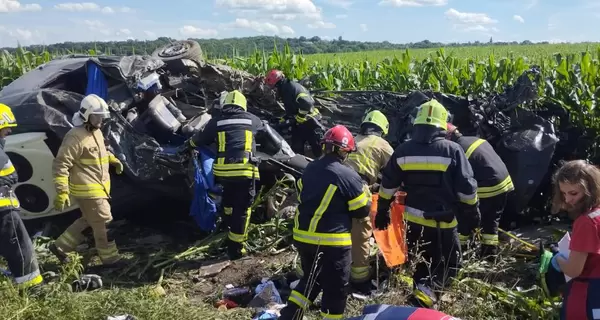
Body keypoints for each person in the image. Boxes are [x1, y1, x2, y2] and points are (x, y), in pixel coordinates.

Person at [374, 100, 480, 308]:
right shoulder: (453, 151)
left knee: (421, 264)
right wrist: (472, 215)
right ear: (442, 125)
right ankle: (425, 299)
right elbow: (467, 190)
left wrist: (383, 211)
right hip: (444, 223)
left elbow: (388, 185)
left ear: (417, 123)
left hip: (413, 221)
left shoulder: (404, 150)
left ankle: (418, 297)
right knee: (450, 265)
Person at [279, 125, 370, 320]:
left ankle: (288, 316)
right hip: (333, 242)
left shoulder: (309, 169)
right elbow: (361, 211)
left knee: (312, 281)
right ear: (343, 150)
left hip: (304, 239)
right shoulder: (347, 175)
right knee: (336, 289)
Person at [183, 90, 263, 260]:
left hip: (223, 173)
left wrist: (187, 144)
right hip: (244, 171)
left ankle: (226, 225)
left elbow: (197, 140)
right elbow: (266, 136)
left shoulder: (216, 121)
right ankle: (236, 249)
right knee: (242, 209)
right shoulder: (253, 120)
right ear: (243, 104)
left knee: (228, 202)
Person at [49, 94, 124, 267]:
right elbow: (61, 164)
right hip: (88, 191)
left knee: (88, 220)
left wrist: (112, 159)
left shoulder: (96, 132)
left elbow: (99, 152)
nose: (100, 120)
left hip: (100, 188)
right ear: (86, 115)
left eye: (102, 116)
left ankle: (60, 247)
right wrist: (62, 191)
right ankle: (110, 260)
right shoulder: (75, 136)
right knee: (105, 224)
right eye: (96, 116)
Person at [446, 123, 514, 258]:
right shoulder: (475, 139)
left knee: (464, 217)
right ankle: (489, 256)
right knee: (491, 221)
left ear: (448, 136)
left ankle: (461, 252)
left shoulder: (457, 149)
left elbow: (461, 180)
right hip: (504, 184)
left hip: (488, 187)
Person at [345, 110, 394, 293]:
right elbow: (395, 171)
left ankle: (311, 270)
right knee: (360, 232)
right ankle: (360, 280)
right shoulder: (382, 144)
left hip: (335, 185)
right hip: (357, 188)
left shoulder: (352, 139)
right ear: (383, 129)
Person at [548, 160, 600, 320]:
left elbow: (573, 270)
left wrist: (557, 258)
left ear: (590, 189)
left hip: (589, 291)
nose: (568, 200)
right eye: (564, 193)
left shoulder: (586, 222)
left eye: (573, 193)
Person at [0, 103, 43, 289]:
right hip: (4, 210)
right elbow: (12, 175)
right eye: (4, 130)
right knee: (19, 248)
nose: (8, 133)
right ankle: (33, 289)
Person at [264, 69, 325, 158]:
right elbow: (292, 111)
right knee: (296, 150)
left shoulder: (289, 88)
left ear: (278, 84)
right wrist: (282, 120)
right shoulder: (287, 88)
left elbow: (307, 103)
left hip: (311, 122)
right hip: (301, 124)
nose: (273, 91)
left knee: (318, 151)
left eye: (273, 88)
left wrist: (300, 117)